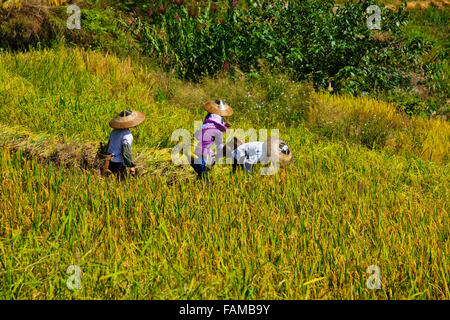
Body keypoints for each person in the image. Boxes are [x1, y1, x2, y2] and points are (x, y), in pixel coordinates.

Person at [191, 100, 233, 179]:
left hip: (192, 151)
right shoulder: (217, 132)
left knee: (201, 172)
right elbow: (220, 146)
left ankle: (200, 179)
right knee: (204, 175)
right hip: (201, 155)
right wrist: (226, 152)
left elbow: (196, 136)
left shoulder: (203, 127)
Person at [106, 110, 145, 179]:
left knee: (110, 180)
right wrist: (131, 166)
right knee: (123, 183)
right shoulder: (127, 135)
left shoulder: (114, 131)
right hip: (118, 162)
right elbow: (126, 152)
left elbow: (108, 144)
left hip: (109, 160)